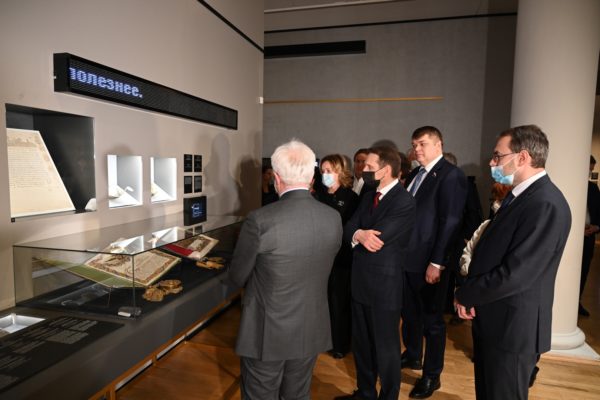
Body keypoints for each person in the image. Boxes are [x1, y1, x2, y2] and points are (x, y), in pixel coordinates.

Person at [455, 125, 571, 400]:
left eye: (498, 155)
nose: (492, 162)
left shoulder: (545, 203)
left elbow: (516, 274)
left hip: (513, 326)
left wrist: (467, 293)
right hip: (496, 317)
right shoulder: (520, 196)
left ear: (522, 157)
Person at [227, 139, 343, 400]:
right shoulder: (333, 217)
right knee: (298, 393)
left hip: (267, 329)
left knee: (260, 393)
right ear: (312, 177)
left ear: (276, 178)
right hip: (310, 323)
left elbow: (238, 275)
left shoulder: (260, 219)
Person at [335, 146, 415, 400]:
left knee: (386, 349)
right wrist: (359, 233)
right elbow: (349, 227)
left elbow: (378, 239)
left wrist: (359, 233)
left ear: (386, 169)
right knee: (362, 345)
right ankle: (366, 392)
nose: (363, 170)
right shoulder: (369, 194)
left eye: (369, 167)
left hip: (383, 288)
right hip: (360, 282)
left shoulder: (403, 201)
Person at [401, 126, 467, 399]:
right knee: (410, 314)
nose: (417, 149)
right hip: (407, 258)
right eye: (414, 144)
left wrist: (437, 262)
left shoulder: (451, 175)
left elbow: (450, 221)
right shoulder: (415, 174)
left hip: (430, 261)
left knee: (432, 322)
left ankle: (431, 376)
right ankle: (413, 354)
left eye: (422, 144)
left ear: (438, 145)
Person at [316, 154, 359, 358]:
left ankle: (340, 344)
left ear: (340, 172)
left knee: (339, 301)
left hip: (342, 259)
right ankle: (323, 339)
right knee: (322, 301)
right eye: (322, 171)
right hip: (320, 258)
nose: (325, 174)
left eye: (329, 171)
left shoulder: (351, 198)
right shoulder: (317, 196)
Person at [580, 155, 600, 316]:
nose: (589, 172)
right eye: (588, 168)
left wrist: (596, 227)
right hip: (572, 237)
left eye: (591, 170)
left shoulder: (593, 189)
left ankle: (577, 302)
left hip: (589, 237)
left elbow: (599, 212)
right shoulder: (570, 186)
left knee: (584, 271)